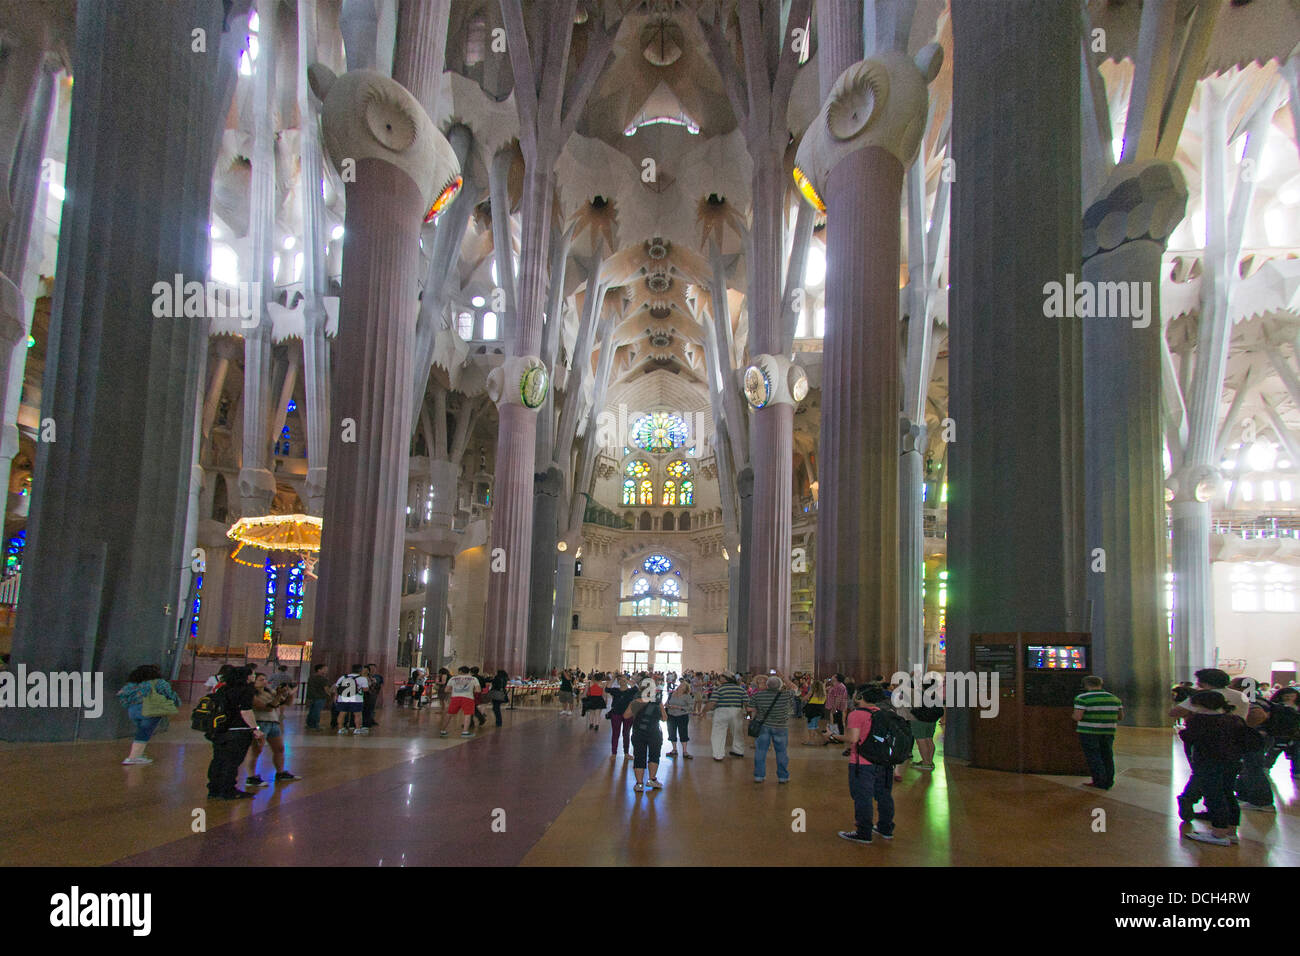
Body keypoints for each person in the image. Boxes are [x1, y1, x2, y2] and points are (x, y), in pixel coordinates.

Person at [1179, 691, 1260, 846]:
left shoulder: (1201, 720)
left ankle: (1219, 832)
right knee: (1228, 794)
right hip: (1232, 762)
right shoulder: (1234, 719)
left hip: (1209, 763)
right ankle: (1231, 831)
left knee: (1214, 796)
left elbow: (1189, 737)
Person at [839, 685, 896, 844]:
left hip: (862, 762)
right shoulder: (885, 713)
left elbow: (853, 739)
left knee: (862, 796)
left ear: (860, 697)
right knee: (884, 795)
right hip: (883, 761)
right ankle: (886, 828)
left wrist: (834, 736)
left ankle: (863, 831)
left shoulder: (857, 714)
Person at [206, 665, 263, 800]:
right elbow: (245, 711)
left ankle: (214, 789)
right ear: (247, 677)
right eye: (252, 675)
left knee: (218, 760)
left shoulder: (223, 689)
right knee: (232, 761)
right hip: (238, 731)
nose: (253, 677)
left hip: (220, 729)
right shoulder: (245, 691)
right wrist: (256, 729)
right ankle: (228, 790)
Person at [116, 665, 182, 765]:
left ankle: (138, 754)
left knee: (140, 731)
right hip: (150, 710)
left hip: (133, 711)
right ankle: (133, 757)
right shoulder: (159, 683)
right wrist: (177, 702)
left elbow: (122, 695)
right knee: (144, 733)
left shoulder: (131, 685)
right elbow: (169, 695)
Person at [244, 672, 301, 787]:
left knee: (279, 749)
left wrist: (290, 693)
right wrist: (278, 695)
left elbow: (286, 703)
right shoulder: (250, 694)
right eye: (261, 679)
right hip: (260, 722)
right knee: (256, 750)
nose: (264, 682)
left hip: (273, 723)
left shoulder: (269, 692)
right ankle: (251, 777)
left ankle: (280, 773)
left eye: (265, 679)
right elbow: (267, 708)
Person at [1072, 675, 1123, 789]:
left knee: (1094, 756)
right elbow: (1120, 717)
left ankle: (1099, 781)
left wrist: (1073, 716)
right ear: (1101, 684)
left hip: (1089, 732)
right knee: (1107, 755)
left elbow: (1078, 717)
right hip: (1108, 731)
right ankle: (1109, 781)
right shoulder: (1114, 698)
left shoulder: (1082, 698)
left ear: (1085, 685)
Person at [746, 672, 798, 784]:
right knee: (781, 752)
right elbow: (795, 688)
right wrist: (784, 678)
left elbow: (750, 709)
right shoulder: (786, 695)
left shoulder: (757, 695)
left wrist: (752, 717)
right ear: (780, 685)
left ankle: (759, 776)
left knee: (760, 751)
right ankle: (783, 777)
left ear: (767, 685)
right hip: (781, 727)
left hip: (763, 726)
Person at [625, 679, 666, 792]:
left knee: (639, 756)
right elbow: (664, 718)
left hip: (638, 732)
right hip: (654, 732)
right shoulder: (657, 701)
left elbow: (626, 716)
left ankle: (639, 784)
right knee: (654, 755)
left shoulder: (636, 701)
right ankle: (652, 779)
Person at [706, 673, 748, 760]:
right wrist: (748, 713)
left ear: (725, 679)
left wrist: (703, 711)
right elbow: (746, 702)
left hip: (721, 711)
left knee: (718, 733)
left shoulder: (719, 689)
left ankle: (718, 754)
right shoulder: (740, 689)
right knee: (737, 732)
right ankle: (738, 751)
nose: (719, 679)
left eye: (720, 677)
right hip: (736, 711)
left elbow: (712, 702)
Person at [1263, 687, 1300, 777]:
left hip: (1295, 734)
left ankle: (1297, 771)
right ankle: (1265, 768)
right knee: (1273, 752)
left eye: (1291, 696)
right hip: (1280, 733)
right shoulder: (1276, 706)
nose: (1289, 698)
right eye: (1286, 696)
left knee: (1297, 753)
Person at [908, 678, 943, 770]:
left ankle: (925, 762)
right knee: (929, 740)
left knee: (921, 741)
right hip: (932, 721)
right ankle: (930, 761)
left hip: (920, 721)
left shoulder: (920, 695)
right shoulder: (935, 695)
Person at [440, 666, 481, 737]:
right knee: (467, 715)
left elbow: (446, 690)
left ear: (460, 671)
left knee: (449, 714)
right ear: (468, 672)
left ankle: (443, 730)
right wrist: (471, 690)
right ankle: (465, 732)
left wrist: (455, 691)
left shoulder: (453, 678)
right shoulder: (473, 679)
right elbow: (478, 690)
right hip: (468, 698)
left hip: (455, 697)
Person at [608, 674, 639, 758]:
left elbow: (636, 688)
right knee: (615, 733)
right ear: (618, 682)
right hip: (616, 714)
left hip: (628, 714)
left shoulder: (631, 691)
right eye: (620, 680)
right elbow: (607, 688)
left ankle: (626, 753)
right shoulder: (615, 690)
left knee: (626, 733)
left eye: (624, 680)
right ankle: (614, 753)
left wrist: (627, 680)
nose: (622, 681)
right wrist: (613, 677)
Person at [334, 665, 369, 735]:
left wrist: (336, 696)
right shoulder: (362, 678)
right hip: (356, 699)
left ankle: (340, 729)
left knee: (342, 713)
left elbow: (336, 687)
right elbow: (365, 689)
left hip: (343, 698)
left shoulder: (343, 677)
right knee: (357, 714)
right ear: (361, 670)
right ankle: (357, 729)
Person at [664, 679, 694, 758]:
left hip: (682, 716)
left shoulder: (687, 696)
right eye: (681, 684)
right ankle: (674, 749)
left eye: (683, 685)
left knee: (683, 732)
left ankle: (685, 751)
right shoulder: (672, 694)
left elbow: (691, 707)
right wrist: (667, 705)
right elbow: (667, 703)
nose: (681, 686)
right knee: (671, 732)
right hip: (671, 716)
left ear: (686, 688)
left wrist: (679, 707)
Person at [304, 664, 330, 730]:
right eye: (324, 669)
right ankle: (315, 725)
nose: (326, 670)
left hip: (311, 696)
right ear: (319, 670)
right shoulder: (323, 679)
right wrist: (329, 694)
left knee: (311, 711)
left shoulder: (311, 677)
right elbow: (326, 688)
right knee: (317, 711)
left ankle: (309, 724)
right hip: (320, 697)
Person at [802, 679, 827, 745]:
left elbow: (805, 698)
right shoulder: (823, 693)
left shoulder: (812, 692)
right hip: (819, 710)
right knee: (815, 726)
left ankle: (811, 741)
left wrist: (803, 698)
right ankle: (825, 738)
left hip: (812, 710)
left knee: (811, 726)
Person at [362, 663, 382, 728]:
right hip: (365, 696)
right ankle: (365, 722)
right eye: (371, 669)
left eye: (374, 669)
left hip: (373, 695)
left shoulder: (377, 677)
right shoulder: (364, 677)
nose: (372, 670)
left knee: (371, 709)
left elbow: (379, 684)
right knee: (365, 709)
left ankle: (370, 720)